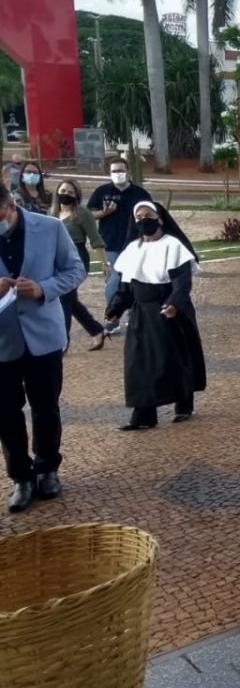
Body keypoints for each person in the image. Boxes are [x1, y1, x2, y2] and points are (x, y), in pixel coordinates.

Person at [0, 183, 86, 512]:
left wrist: (43, 288)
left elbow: (75, 269)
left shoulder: (49, 227)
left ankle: (47, 468)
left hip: (44, 337)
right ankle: (21, 478)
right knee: (6, 413)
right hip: (3, 340)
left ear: (11, 205)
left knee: (46, 407)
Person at [105, 201, 205, 430]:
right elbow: (126, 287)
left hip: (168, 313)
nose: (143, 220)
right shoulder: (132, 249)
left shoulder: (173, 246)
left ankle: (184, 403)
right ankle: (143, 416)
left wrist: (173, 304)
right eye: (139, 217)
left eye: (148, 215)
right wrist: (115, 310)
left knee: (172, 361)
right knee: (138, 364)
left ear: (159, 218)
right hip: (141, 314)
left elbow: (182, 283)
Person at [87, 157, 151, 335]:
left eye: (121, 170)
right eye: (114, 171)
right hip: (110, 244)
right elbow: (89, 214)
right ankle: (112, 317)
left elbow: (151, 214)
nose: (118, 174)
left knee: (134, 280)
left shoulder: (139, 193)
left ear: (128, 172)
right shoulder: (102, 192)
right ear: (109, 173)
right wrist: (105, 212)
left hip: (135, 245)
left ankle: (134, 316)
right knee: (113, 280)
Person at [51, 178, 109, 352]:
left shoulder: (82, 213)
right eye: (63, 191)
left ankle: (62, 341)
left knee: (65, 299)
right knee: (70, 299)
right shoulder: (52, 213)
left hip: (76, 258)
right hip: (56, 259)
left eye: (70, 192)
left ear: (76, 195)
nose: (66, 194)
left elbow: (95, 239)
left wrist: (104, 263)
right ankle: (97, 330)